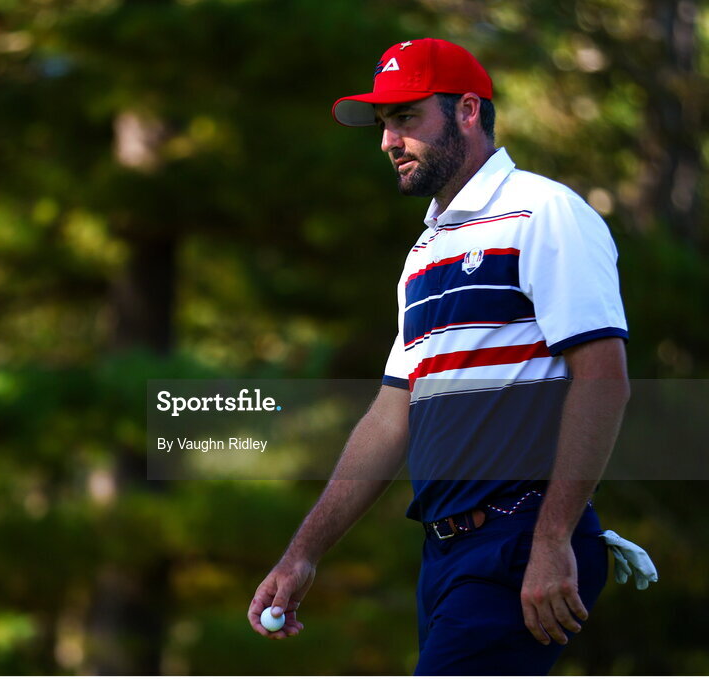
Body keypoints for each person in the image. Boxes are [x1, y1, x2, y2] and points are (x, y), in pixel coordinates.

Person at [247, 38, 631, 675]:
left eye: (405, 119)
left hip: (518, 540)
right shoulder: (424, 255)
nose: (388, 142)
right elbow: (389, 419)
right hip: (447, 553)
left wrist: (552, 538)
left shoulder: (545, 212)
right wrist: (302, 555)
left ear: (469, 111)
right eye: (383, 125)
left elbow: (603, 381)